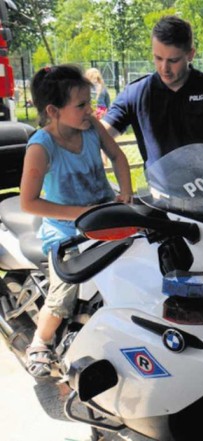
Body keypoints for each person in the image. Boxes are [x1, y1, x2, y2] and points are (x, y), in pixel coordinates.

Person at [21, 65, 132, 377]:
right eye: (81, 105)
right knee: (65, 291)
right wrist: (80, 214)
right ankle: (40, 343)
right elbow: (28, 202)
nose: (90, 109)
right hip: (68, 232)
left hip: (106, 219)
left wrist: (125, 192)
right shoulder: (42, 146)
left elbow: (118, 157)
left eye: (89, 102)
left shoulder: (92, 127)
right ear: (54, 110)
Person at [101, 15, 203, 189]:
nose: (164, 68)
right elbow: (104, 131)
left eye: (173, 60)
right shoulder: (136, 93)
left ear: (190, 54)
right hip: (162, 200)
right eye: (158, 58)